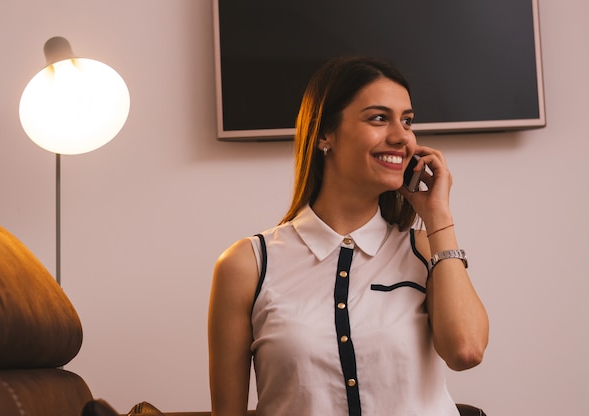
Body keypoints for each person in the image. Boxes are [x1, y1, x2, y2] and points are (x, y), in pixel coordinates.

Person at [208, 56, 489, 416]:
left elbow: (466, 350)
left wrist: (438, 217)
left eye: (407, 121)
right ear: (325, 133)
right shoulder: (247, 264)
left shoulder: (425, 250)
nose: (402, 137)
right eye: (378, 118)